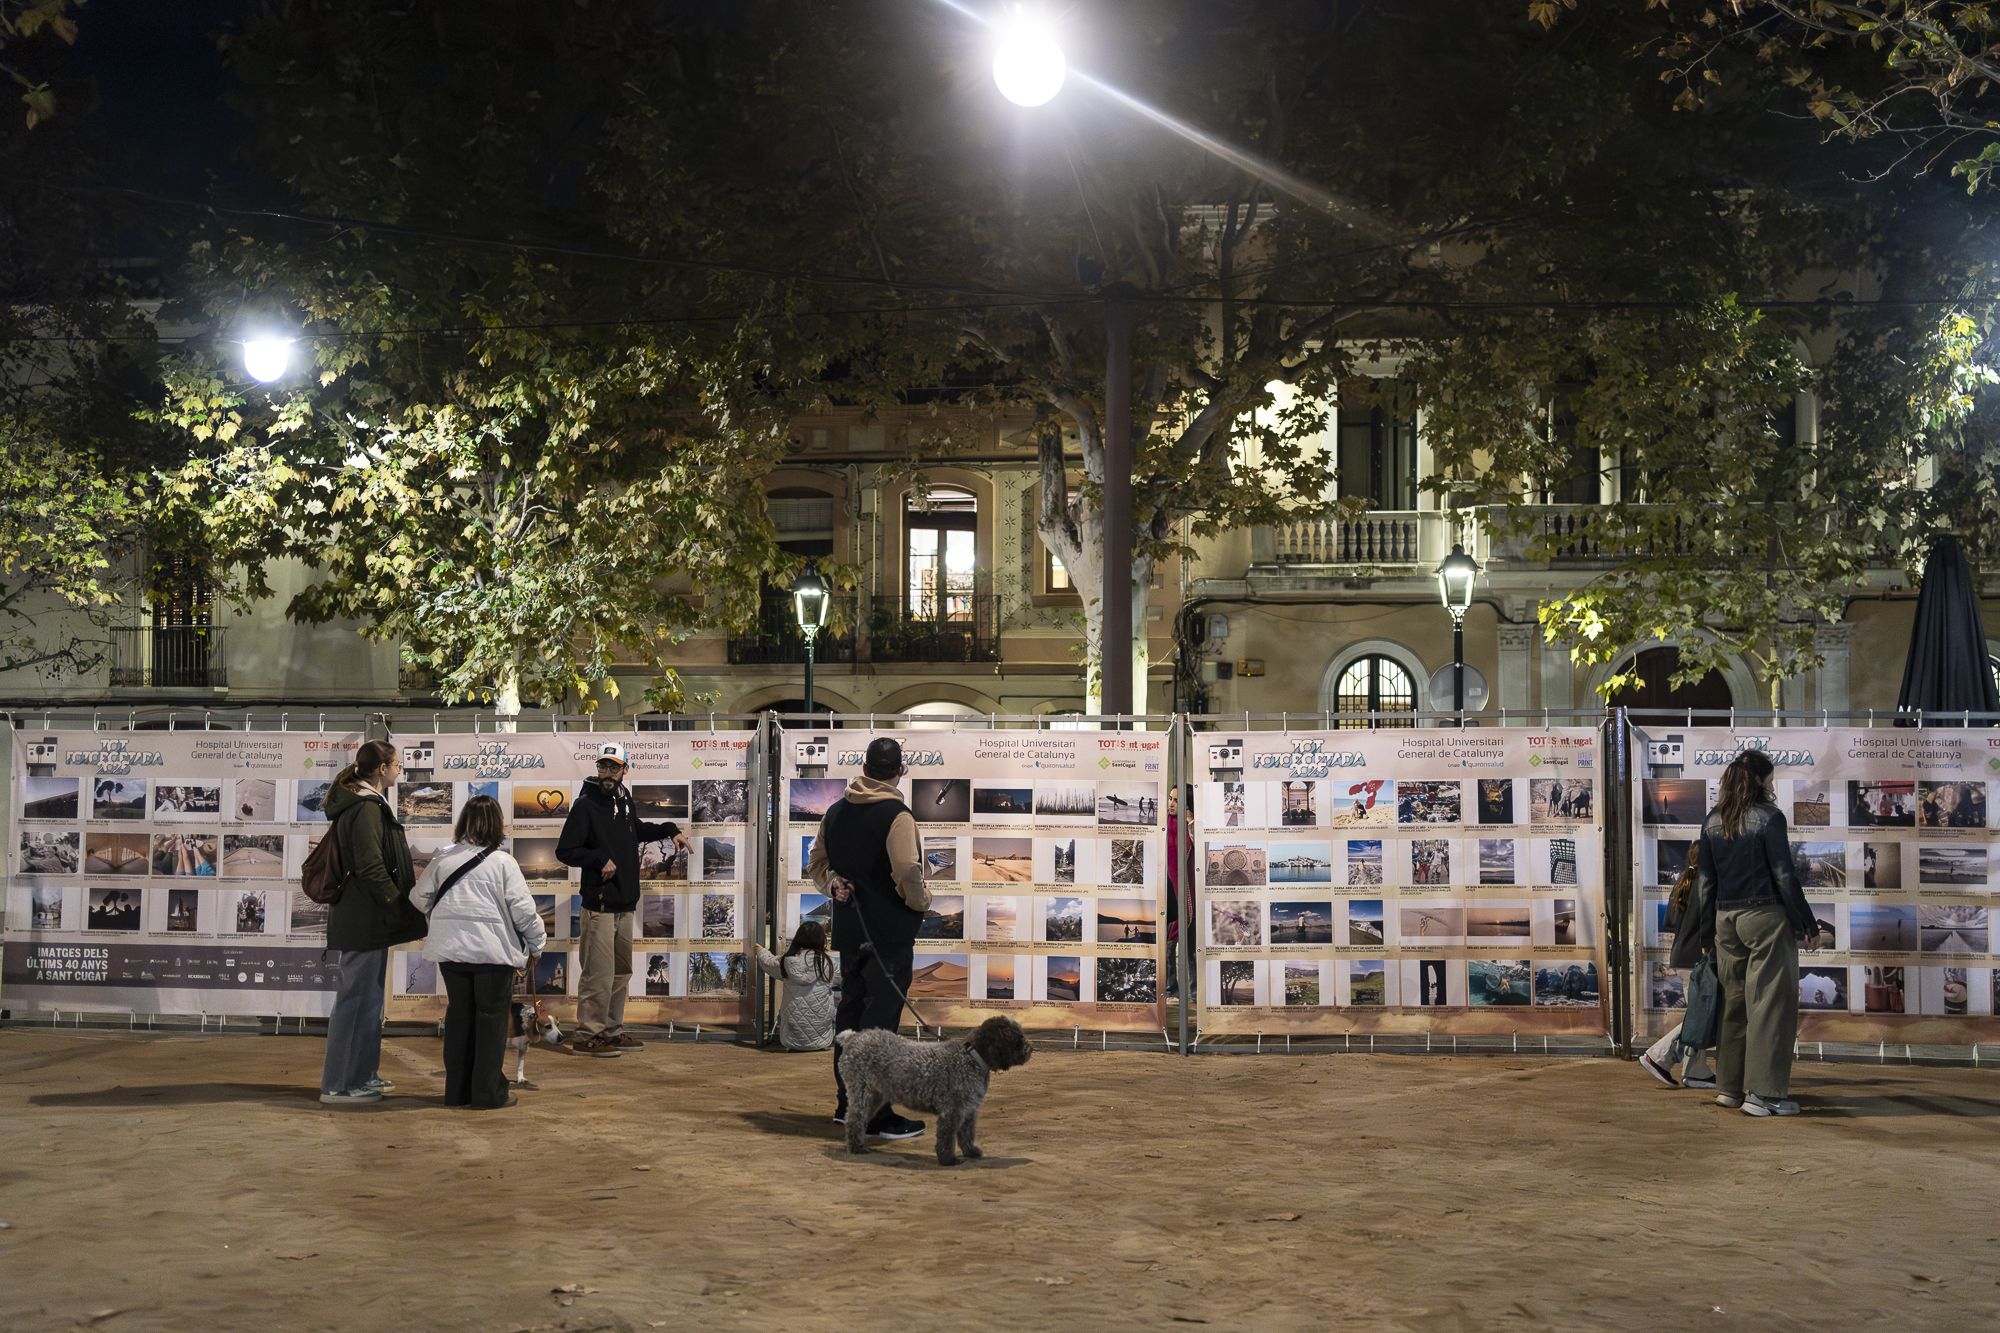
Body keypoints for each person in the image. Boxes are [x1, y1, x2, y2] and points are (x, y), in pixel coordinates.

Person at [807, 736, 928, 1142]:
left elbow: (818, 864)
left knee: (851, 1020)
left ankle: (848, 1106)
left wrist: (833, 884)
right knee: (880, 1026)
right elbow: (907, 872)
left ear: (864, 768)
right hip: (888, 935)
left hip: (849, 932)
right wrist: (921, 902)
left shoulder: (836, 811)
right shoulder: (898, 815)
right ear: (900, 770)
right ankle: (875, 1115)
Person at [1696, 750, 1828, 1117]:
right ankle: (1765, 1095)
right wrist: (1807, 923)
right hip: (1764, 916)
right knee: (1770, 1003)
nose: (1772, 784)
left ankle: (1730, 1088)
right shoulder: (1770, 818)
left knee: (1734, 1003)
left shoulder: (1713, 820)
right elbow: (1785, 875)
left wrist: (1707, 931)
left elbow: (1705, 881)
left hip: (1726, 920)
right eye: (1769, 778)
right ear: (1759, 780)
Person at [412, 794, 547, 1110]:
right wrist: (537, 945)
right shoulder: (504, 863)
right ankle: (486, 1094)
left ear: (463, 822)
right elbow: (524, 912)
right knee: (491, 1020)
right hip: (492, 954)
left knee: (459, 1018)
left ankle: (456, 1092)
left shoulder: (442, 859)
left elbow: (419, 898)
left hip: (451, 952)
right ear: (496, 824)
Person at [556, 740, 687, 1057]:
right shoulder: (586, 805)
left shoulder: (624, 800)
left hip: (625, 903)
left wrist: (670, 828)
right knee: (597, 975)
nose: (607, 772)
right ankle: (589, 1034)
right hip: (599, 905)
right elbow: (565, 851)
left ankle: (611, 1031)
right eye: (603, 766)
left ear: (625, 770)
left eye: (614, 767)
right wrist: (599, 858)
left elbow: (634, 831)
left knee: (620, 973)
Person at [321, 739, 427, 1107]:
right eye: (397, 764)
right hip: (363, 917)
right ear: (382, 769)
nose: (401, 770)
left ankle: (362, 1076)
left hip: (369, 917)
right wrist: (395, 902)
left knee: (368, 1004)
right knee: (355, 1002)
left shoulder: (367, 803)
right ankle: (338, 1085)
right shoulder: (364, 807)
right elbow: (369, 865)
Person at [1639, 836, 1719, 1091]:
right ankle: (1659, 1056)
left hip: (1682, 956)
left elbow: (1671, 921)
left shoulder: (1684, 882)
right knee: (1701, 1017)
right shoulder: (1706, 884)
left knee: (1701, 1016)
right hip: (1700, 958)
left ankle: (1696, 1071)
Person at [756, 920, 841, 1052]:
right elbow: (840, 979)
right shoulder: (827, 962)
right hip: (822, 1037)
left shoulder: (787, 960)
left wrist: (761, 951)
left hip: (791, 1038)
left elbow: (768, 963)